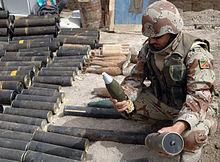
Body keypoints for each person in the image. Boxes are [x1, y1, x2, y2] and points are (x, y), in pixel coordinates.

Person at [110, 0, 218, 161]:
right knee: (127, 108)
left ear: (173, 31)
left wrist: (177, 127)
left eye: (157, 36)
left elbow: (199, 98)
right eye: (149, 36)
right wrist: (125, 95)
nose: (152, 40)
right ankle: (165, 124)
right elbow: (135, 78)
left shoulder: (196, 54)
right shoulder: (149, 49)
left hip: (195, 109)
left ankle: (192, 141)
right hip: (164, 103)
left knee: (190, 139)